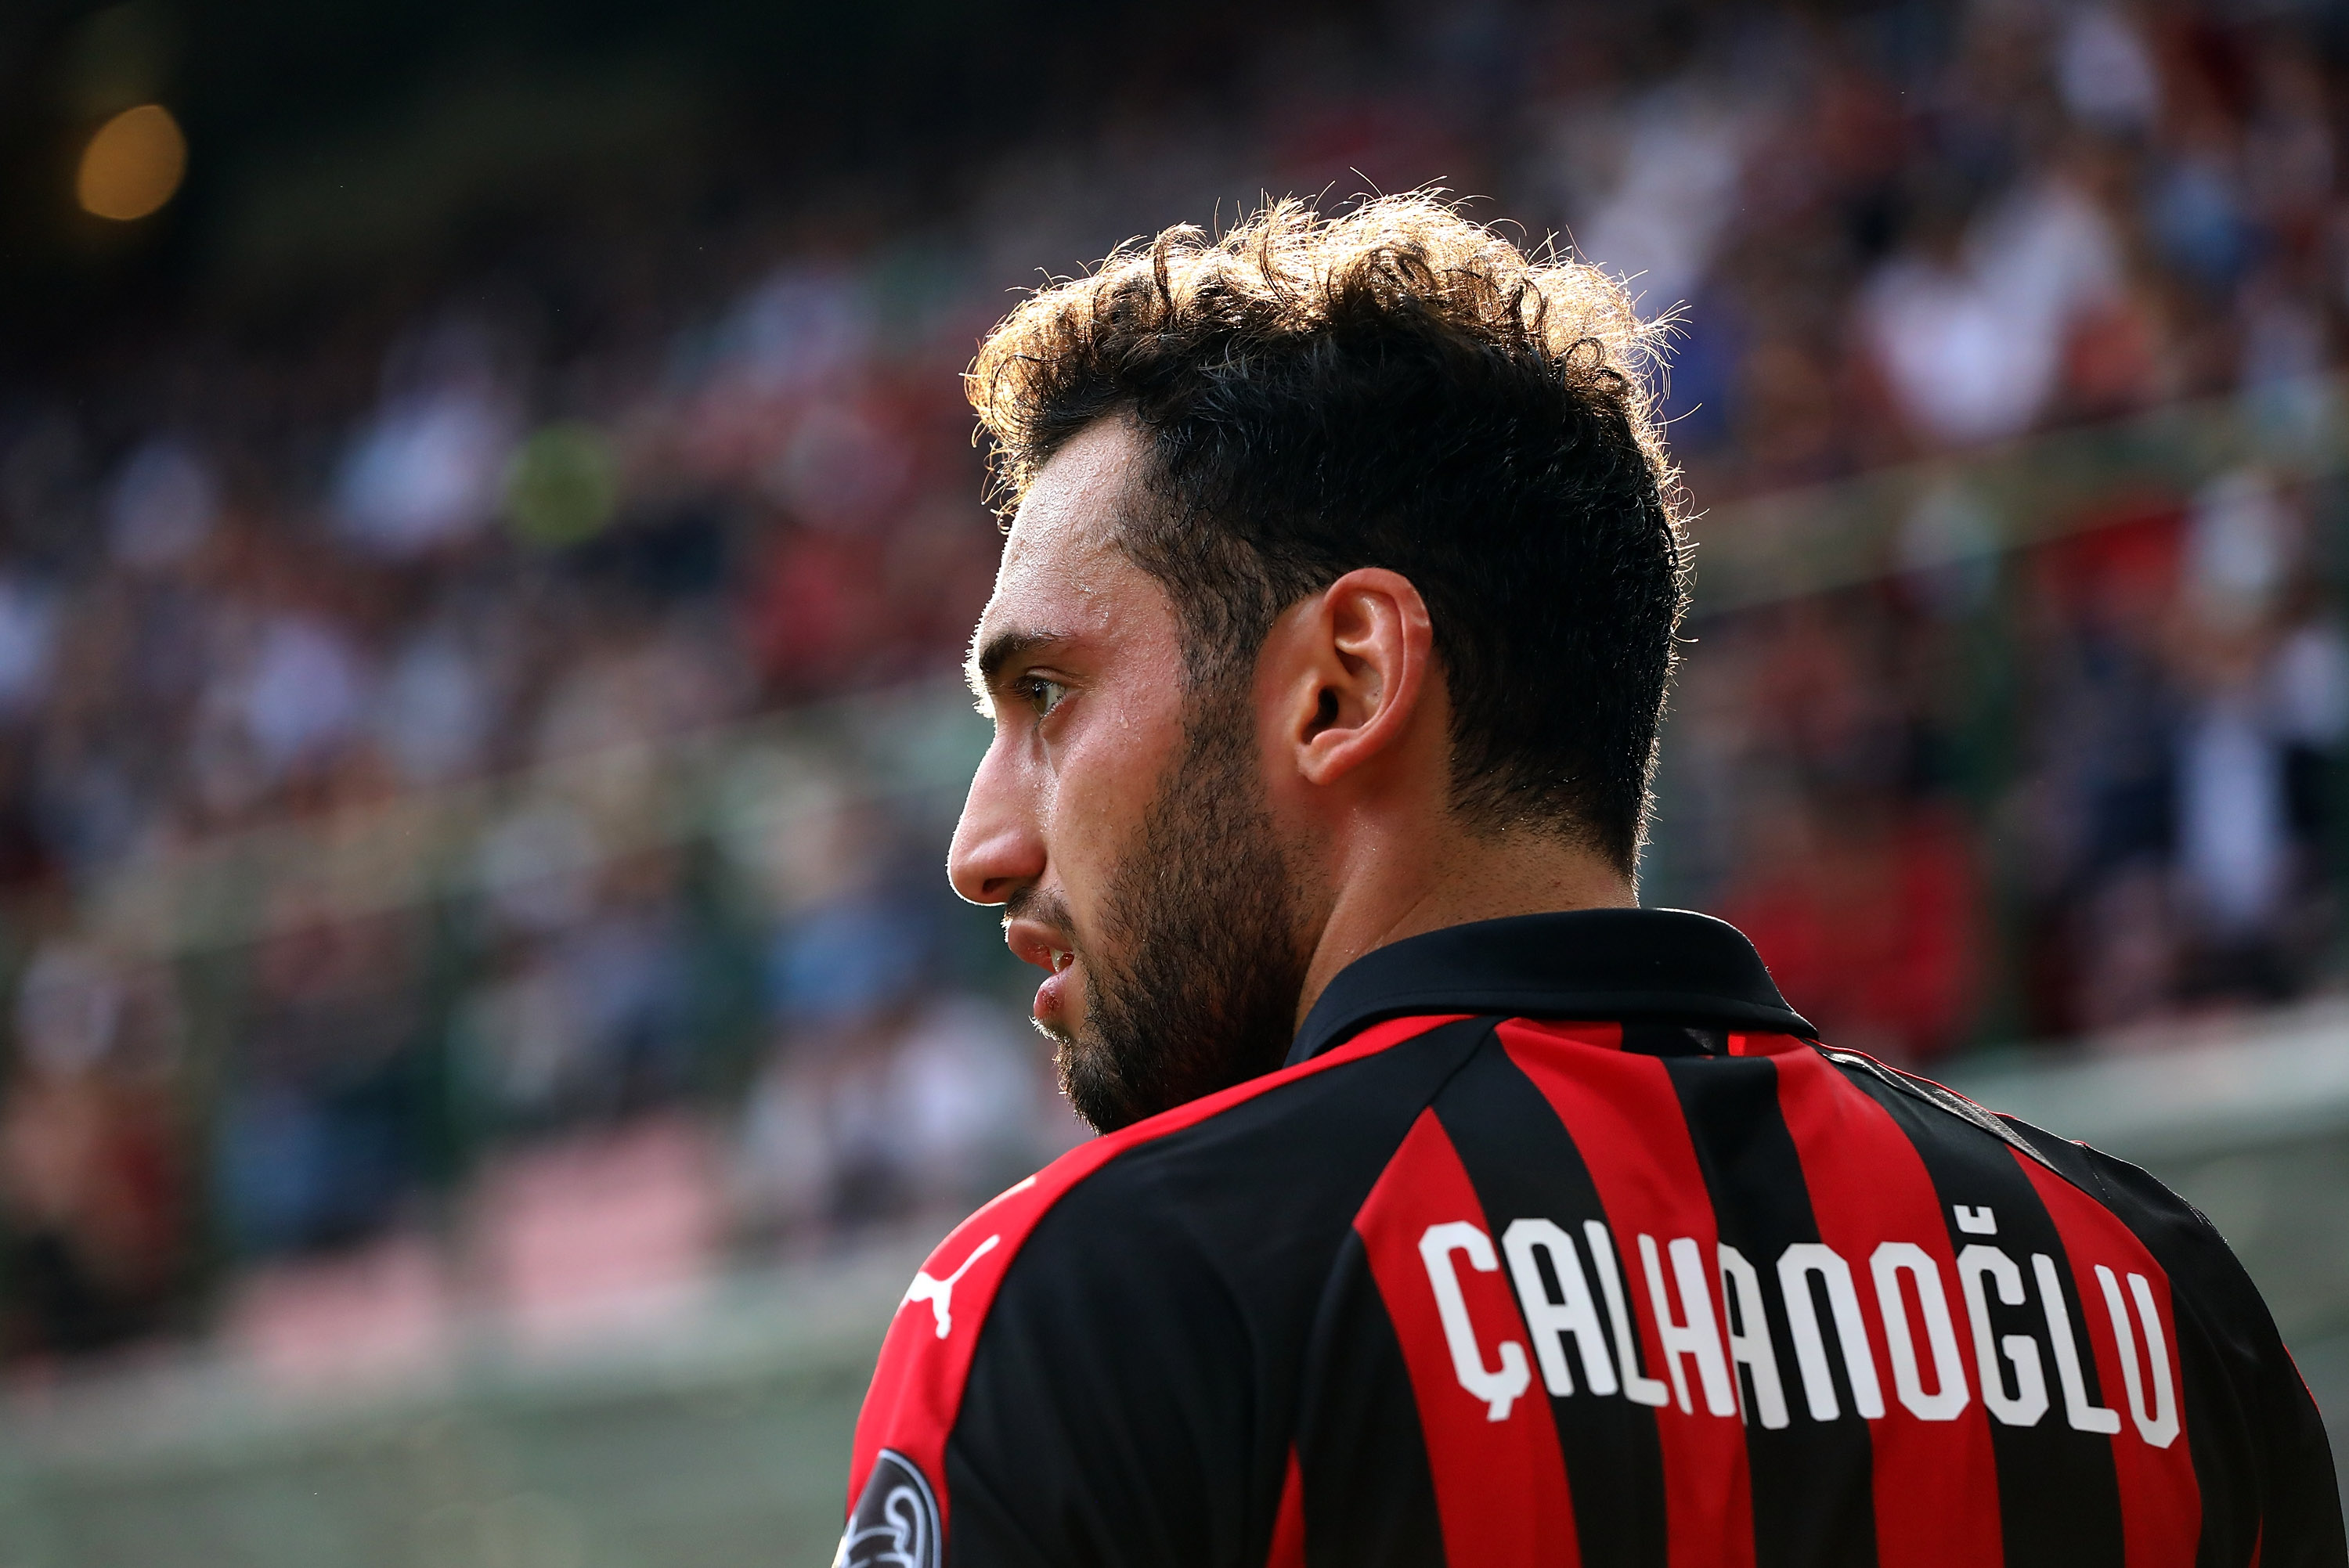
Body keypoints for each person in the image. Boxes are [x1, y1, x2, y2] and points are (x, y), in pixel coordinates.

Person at [838, 196, 2343, 1568]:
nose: (981, 847)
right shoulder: (2156, 1298)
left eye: (1047, 696)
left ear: (1341, 687)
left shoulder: (1094, 1303)